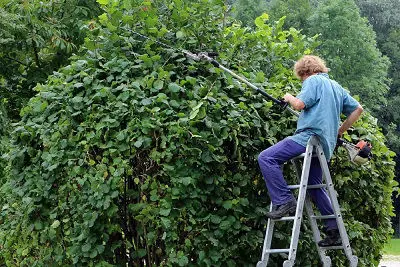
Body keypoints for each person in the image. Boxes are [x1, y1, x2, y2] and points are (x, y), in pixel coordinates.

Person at [257, 55, 363, 247]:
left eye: (301, 77)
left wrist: (288, 97)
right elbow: (358, 110)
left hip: (308, 138)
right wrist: (338, 131)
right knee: (314, 186)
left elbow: (299, 105)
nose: (302, 80)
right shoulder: (337, 87)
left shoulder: (312, 81)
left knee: (266, 158)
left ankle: (284, 200)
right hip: (325, 144)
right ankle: (334, 231)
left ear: (305, 72)